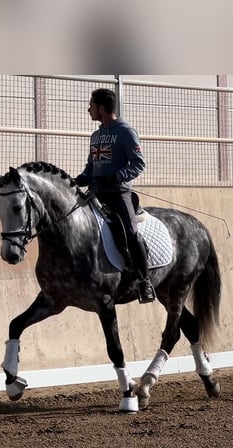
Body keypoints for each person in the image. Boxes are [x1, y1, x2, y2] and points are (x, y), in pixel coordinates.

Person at [74, 88, 156, 304]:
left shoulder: (126, 131)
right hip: (96, 193)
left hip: (118, 193)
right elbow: (90, 169)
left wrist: (117, 176)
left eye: (90, 105)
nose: (88, 109)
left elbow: (139, 163)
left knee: (130, 232)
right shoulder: (96, 135)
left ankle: (144, 281)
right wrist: (76, 180)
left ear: (101, 108)